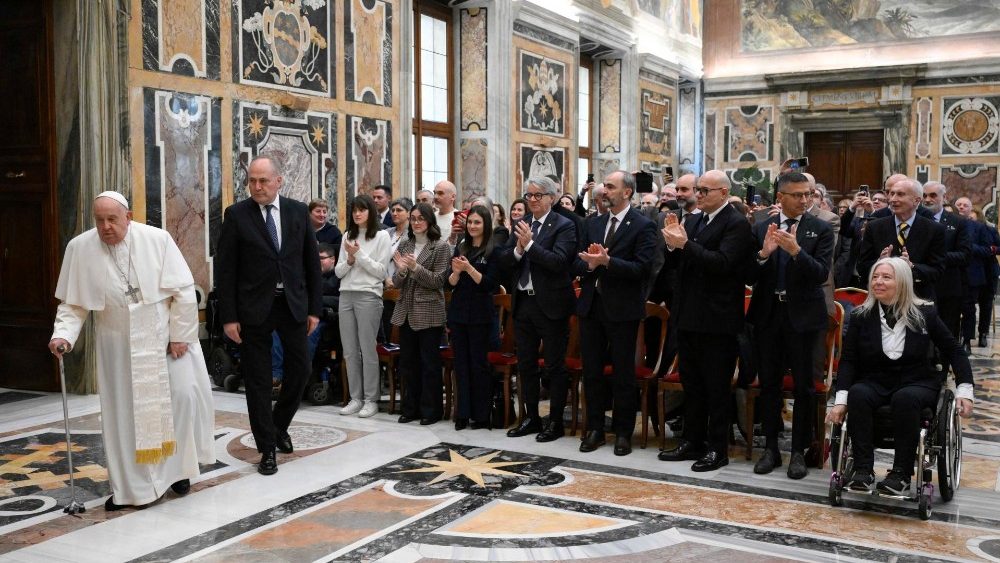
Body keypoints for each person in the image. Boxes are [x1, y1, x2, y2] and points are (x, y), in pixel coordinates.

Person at [49, 191, 215, 510]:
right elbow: (73, 303)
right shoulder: (80, 249)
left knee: (180, 400)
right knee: (125, 415)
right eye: (99, 220)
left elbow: (182, 291)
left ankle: (177, 472)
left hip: (164, 338)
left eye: (113, 219)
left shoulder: (158, 239)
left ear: (129, 216)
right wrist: (63, 335)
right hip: (117, 343)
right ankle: (131, 488)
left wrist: (181, 335)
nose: (106, 227)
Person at [826, 257, 974, 494]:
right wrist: (841, 400)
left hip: (917, 380)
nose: (878, 282)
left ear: (903, 282)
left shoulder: (924, 312)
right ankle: (863, 470)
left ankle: (901, 474)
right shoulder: (862, 315)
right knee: (858, 394)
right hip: (875, 379)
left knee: (905, 398)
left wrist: (965, 390)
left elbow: (954, 351)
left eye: (886, 277)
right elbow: (849, 360)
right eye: (875, 277)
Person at [216, 155, 322, 476]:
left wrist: (315, 308)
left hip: (291, 305)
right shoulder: (236, 215)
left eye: (264, 181)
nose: (257, 187)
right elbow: (226, 269)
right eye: (252, 181)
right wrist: (228, 316)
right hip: (253, 308)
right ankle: (267, 448)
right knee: (259, 380)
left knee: (301, 369)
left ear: (279, 181)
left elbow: (311, 264)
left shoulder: (297, 212)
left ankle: (278, 426)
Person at [658, 170, 753, 471]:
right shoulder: (695, 220)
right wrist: (672, 246)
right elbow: (679, 264)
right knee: (692, 384)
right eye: (697, 190)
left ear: (724, 193)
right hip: (688, 314)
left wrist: (685, 245)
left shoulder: (736, 224)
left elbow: (723, 265)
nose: (698, 195)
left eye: (704, 191)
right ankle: (691, 441)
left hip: (718, 319)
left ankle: (717, 449)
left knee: (715, 387)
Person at [746, 172, 834, 479]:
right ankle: (771, 448)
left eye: (807, 194)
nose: (804, 199)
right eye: (797, 194)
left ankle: (798, 451)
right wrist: (762, 254)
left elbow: (821, 273)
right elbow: (746, 275)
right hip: (768, 315)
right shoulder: (759, 228)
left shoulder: (820, 229)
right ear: (780, 197)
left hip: (804, 318)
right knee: (769, 383)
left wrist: (796, 252)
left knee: (804, 387)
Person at [575, 171, 656, 456]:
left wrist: (608, 262)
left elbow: (643, 268)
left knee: (623, 373)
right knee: (592, 371)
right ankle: (595, 428)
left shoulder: (643, 226)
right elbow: (577, 261)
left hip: (623, 308)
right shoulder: (592, 224)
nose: (603, 191)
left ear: (627, 193)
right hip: (591, 306)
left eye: (610, 187)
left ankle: (623, 432)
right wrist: (588, 264)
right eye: (604, 186)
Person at [500, 176, 577, 442]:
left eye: (537, 195)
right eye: (529, 195)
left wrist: (530, 245)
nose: (531, 200)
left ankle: (554, 422)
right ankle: (531, 417)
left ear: (551, 198)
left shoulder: (564, 226)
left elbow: (558, 262)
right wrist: (519, 250)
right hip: (523, 302)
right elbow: (506, 260)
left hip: (552, 305)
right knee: (526, 364)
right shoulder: (522, 225)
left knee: (554, 366)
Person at [392, 203, 450, 425]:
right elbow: (396, 282)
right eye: (413, 218)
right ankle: (411, 408)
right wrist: (402, 271)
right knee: (408, 363)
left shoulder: (440, 247)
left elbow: (437, 281)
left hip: (429, 310)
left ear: (429, 221)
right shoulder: (406, 243)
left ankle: (431, 411)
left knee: (429, 364)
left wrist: (415, 268)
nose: (416, 222)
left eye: (421, 218)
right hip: (406, 310)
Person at [336, 194, 391, 418]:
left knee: (368, 349)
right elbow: (339, 271)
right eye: (354, 210)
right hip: (346, 294)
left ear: (371, 212)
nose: (357, 214)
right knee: (349, 351)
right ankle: (355, 398)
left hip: (368, 295)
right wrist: (349, 260)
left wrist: (358, 254)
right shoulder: (347, 236)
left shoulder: (382, 237)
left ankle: (371, 399)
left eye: (362, 210)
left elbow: (380, 271)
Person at [448, 205, 502, 430]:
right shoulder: (461, 247)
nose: (472, 226)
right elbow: (449, 283)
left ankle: (481, 415)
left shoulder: (495, 250)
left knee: (478, 365)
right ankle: (462, 413)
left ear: (486, 225)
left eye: (477, 222)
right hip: (459, 313)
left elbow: (489, 285)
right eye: (470, 222)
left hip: (481, 314)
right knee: (461, 364)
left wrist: (469, 269)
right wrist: (457, 272)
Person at [858, 179, 945, 300]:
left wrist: (911, 266)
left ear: (916, 200)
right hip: (881, 299)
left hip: (918, 299)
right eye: (891, 193)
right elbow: (862, 267)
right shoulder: (874, 227)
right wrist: (880, 262)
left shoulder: (934, 229)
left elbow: (937, 271)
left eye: (900, 194)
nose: (893, 199)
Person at [922, 182, 971, 342]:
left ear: (944, 198)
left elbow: (964, 255)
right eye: (924, 195)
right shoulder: (917, 220)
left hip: (948, 287)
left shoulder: (958, 222)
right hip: (921, 285)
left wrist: (936, 256)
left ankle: (944, 364)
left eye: (933, 195)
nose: (927, 199)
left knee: (947, 331)